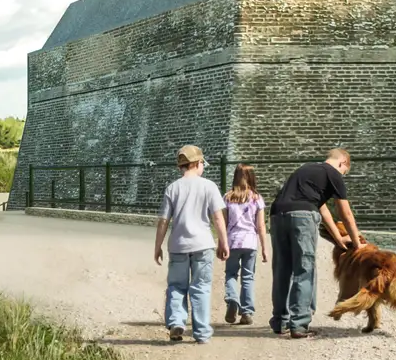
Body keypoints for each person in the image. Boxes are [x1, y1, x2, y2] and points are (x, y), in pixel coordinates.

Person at [269, 148, 362, 338]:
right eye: (345, 171)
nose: (343, 175)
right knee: (304, 269)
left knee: (282, 269)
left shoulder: (306, 170)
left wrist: (338, 238)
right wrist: (357, 243)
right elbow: (346, 213)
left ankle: (280, 322)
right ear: (343, 162)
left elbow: (322, 208)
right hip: (302, 217)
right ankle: (300, 324)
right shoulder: (334, 174)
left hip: (277, 215)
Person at [154, 145, 229, 344]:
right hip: (203, 245)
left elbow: (163, 221)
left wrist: (158, 246)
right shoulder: (209, 186)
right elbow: (218, 219)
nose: (203, 166)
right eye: (203, 163)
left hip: (178, 246)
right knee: (201, 287)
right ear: (196, 163)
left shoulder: (172, 188)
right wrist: (224, 242)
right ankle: (202, 333)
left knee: (176, 286)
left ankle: (177, 321)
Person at [223, 163, 268, 325]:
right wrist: (264, 247)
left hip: (232, 242)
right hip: (250, 242)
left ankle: (232, 299)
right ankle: (247, 311)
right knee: (248, 277)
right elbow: (261, 225)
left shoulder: (227, 197)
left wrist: (222, 242)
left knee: (231, 274)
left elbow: (224, 223)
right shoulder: (257, 199)